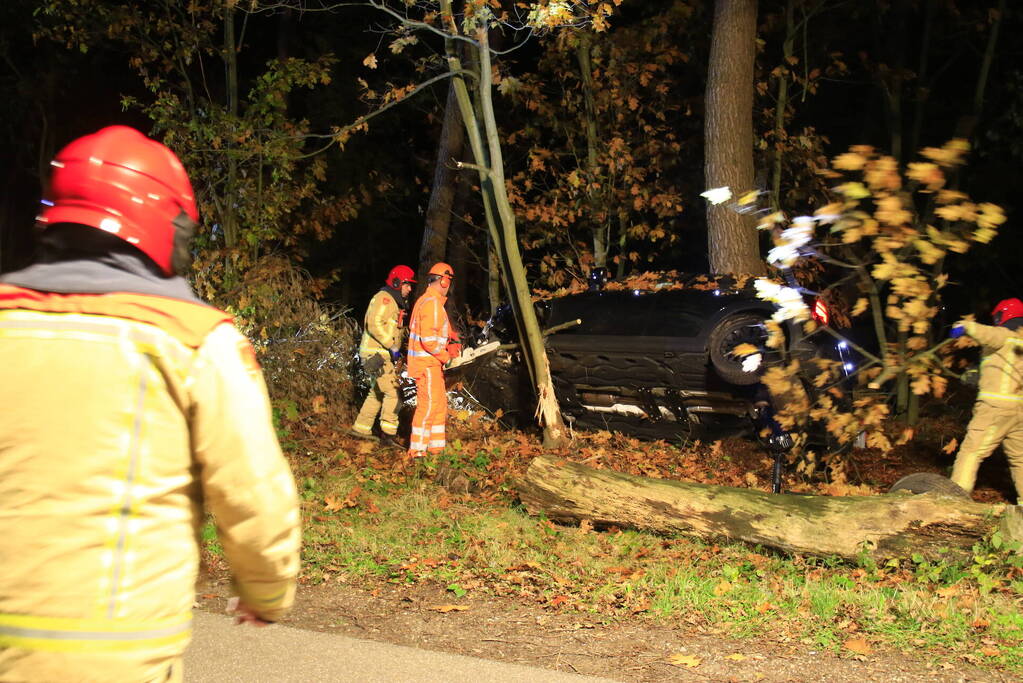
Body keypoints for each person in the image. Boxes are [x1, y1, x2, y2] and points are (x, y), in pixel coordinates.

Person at [0, 125, 301, 682]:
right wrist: (267, 590)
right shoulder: (193, 339)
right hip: (110, 648)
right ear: (165, 226)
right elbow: (252, 488)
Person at [948, 297, 1023, 501]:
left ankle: (954, 502)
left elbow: (988, 334)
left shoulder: (1005, 336)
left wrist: (964, 326)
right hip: (1019, 411)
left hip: (995, 407)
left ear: (1003, 316)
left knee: (971, 452)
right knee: (1020, 460)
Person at [348, 264, 416, 448]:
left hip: (378, 354)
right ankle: (388, 436)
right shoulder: (384, 299)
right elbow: (373, 323)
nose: (410, 289)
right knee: (394, 392)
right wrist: (392, 346)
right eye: (407, 284)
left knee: (377, 393)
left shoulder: (394, 303)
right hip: (375, 355)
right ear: (397, 283)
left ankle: (361, 429)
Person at [406, 262, 460, 457]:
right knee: (428, 407)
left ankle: (436, 448)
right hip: (427, 364)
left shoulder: (428, 301)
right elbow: (428, 340)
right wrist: (447, 356)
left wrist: (451, 337)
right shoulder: (432, 303)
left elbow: (433, 331)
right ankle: (418, 451)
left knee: (438, 405)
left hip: (431, 364)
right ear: (444, 281)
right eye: (449, 281)